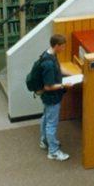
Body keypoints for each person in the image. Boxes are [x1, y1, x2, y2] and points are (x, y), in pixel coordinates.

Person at [39, 34, 72, 162]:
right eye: (62, 47)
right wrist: (63, 84)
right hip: (52, 97)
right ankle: (53, 152)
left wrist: (71, 74)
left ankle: (44, 141)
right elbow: (48, 87)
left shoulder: (48, 55)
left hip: (48, 97)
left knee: (46, 118)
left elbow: (59, 69)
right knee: (51, 124)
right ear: (56, 46)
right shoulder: (48, 63)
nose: (63, 49)